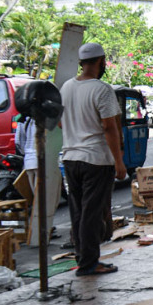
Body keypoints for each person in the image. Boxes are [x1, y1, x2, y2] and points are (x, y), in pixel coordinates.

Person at [60, 42, 126, 276]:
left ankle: (83, 258)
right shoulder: (101, 89)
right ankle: (89, 264)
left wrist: (76, 132)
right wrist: (119, 161)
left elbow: (60, 122)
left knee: (78, 212)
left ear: (81, 63)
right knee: (92, 213)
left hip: (70, 158)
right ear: (101, 61)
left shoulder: (66, 87)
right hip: (96, 160)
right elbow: (109, 127)